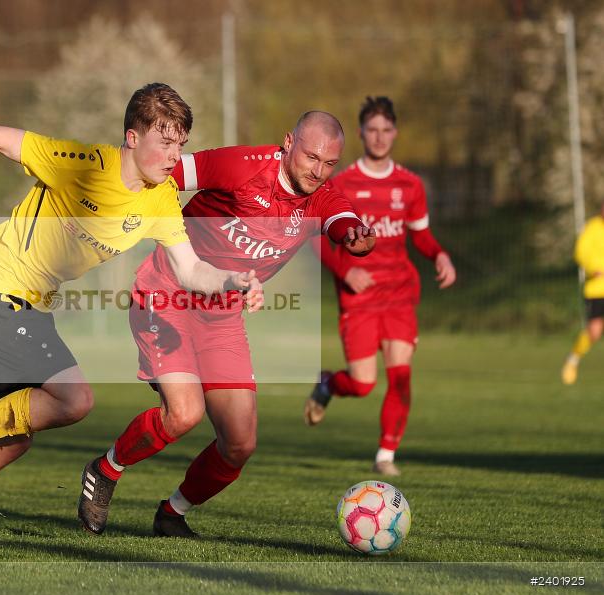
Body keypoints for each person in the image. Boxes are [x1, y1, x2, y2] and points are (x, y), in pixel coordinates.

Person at [0, 83, 266, 543]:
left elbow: (191, 268)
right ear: (132, 138)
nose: (174, 154)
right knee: (73, 399)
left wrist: (233, 281)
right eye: (165, 141)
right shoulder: (86, 165)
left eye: (181, 143)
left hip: (29, 304)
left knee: (12, 435)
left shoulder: (160, 199)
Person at [78, 111, 376, 537]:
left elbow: (342, 221)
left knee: (240, 443)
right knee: (183, 415)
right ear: (288, 142)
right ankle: (105, 469)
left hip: (222, 316)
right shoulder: (242, 165)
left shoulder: (321, 197)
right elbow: (165, 172)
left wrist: (354, 236)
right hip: (167, 293)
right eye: (312, 157)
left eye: (330, 164)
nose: (318, 171)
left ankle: (173, 512)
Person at [304, 96, 456, 477]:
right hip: (360, 298)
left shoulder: (410, 184)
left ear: (395, 132)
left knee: (401, 375)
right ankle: (327, 384)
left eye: (386, 129)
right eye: (372, 129)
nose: (380, 137)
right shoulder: (341, 184)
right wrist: (345, 271)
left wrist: (439, 254)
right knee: (362, 384)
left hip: (400, 295)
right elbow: (317, 237)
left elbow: (421, 236)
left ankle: (386, 455)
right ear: (360, 133)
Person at [561, 203, 604, 385]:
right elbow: (581, 252)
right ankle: (573, 360)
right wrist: (594, 269)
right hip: (596, 289)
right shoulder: (593, 228)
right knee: (594, 331)